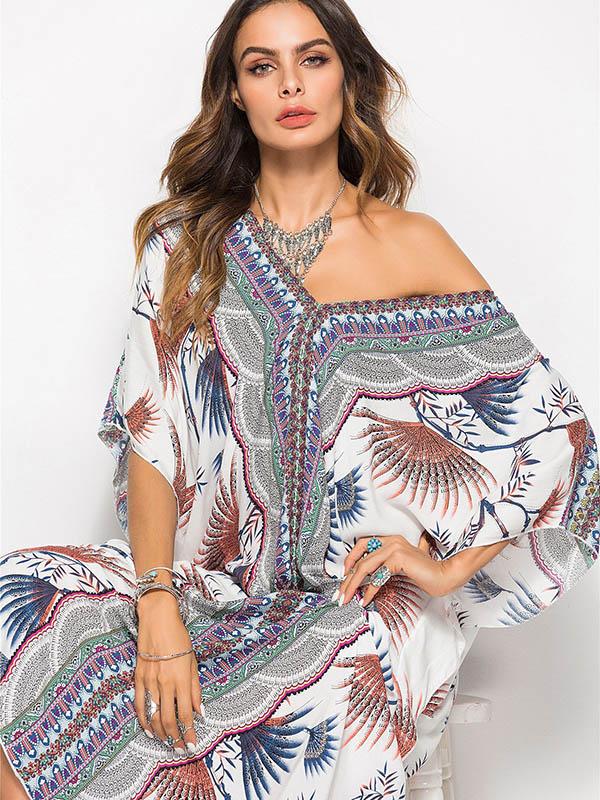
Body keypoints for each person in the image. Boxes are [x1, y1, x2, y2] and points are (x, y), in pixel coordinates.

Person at [1, 1, 598, 798]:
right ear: (235, 92)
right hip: (207, 585)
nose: (290, 83)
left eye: (312, 59)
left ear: (348, 78)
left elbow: (560, 444)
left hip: (355, 608)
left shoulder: (412, 245)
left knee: (319, 673)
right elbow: (152, 440)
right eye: (262, 66)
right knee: (25, 590)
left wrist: (443, 568)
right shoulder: (186, 247)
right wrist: (158, 603)